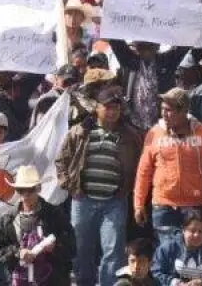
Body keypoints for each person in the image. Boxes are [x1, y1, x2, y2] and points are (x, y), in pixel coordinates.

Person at [55, 86, 142, 286]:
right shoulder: (80, 131)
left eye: (116, 108)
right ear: (97, 107)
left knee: (113, 249)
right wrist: (67, 183)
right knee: (82, 248)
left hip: (115, 201)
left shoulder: (129, 136)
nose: (112, 112)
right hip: (83, 200)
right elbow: (61, 160)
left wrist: (127, 189)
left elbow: (139, 164)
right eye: (108, 107)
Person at [134, 87, 202, 245]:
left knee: (192, 254)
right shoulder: (154, 133)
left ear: (184, 111)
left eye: (169, 110)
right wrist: (139, 204)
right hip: (163, 206)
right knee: (167, 252)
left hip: (195, 206)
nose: (163, 114)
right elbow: (144, 171)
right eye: (162, 109)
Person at [0, 165, 76, 286]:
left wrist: (55, 247)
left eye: (30, 189)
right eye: (21, 190)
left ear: (38, 188)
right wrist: (18, 253)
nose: (26, 194)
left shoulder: (55, 215)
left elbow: (72, 246)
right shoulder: (7, 220)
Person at [152, 212, 202, 286]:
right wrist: (174, 282)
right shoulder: (166, 249)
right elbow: (156, 272)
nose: (197, 235)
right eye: (192, 231)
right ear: (183, 230)